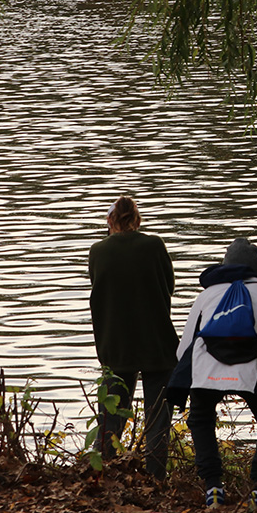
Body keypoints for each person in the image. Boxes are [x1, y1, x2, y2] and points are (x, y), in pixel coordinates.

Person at [167, 239, 257, 510]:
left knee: (201, 418)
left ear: (224, 265)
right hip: (255, 370)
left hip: (206, 369)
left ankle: (213, 487)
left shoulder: (206, 295)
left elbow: (184, 351)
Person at [87, 195, 177, 479]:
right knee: (157, 416)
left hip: (115, 345)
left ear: (109, 221)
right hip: (156, 343)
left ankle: (101, 473)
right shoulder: (154, 245)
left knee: (111, 415)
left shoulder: (98, 251)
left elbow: (98, 286)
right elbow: (169, 286)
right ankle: (155, 479)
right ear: (137, 220)